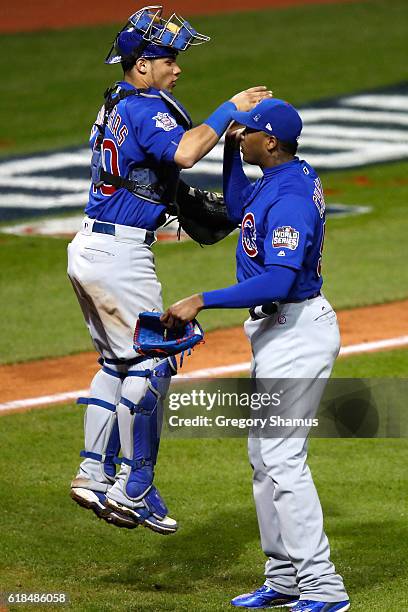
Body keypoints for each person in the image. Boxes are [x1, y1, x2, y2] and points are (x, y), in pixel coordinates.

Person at [67, 5, 271, 536]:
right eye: (168, 58)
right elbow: (183, 151)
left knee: (117, 363)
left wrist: (167, 197)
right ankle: (134, 487)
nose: (177, 68)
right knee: (154, 364)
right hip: (120, 255)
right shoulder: (146, 106)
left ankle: (93, 471)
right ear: (141, 65)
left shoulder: (117, 102)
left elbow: (149, 169)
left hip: (90, 247)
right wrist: (230, 108)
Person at [161, 98, 350, 610]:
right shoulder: (279, 173)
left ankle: (324, 587)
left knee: (284, 459)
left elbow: (279, 279)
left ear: (269, 142)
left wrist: (203, 298)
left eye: (246, 132)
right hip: (277, 333)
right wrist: (227, 155)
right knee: (263, 458)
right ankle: (284, 576)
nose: (239, 135)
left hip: (296, 331)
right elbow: (242, 203)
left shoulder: (289, 199)